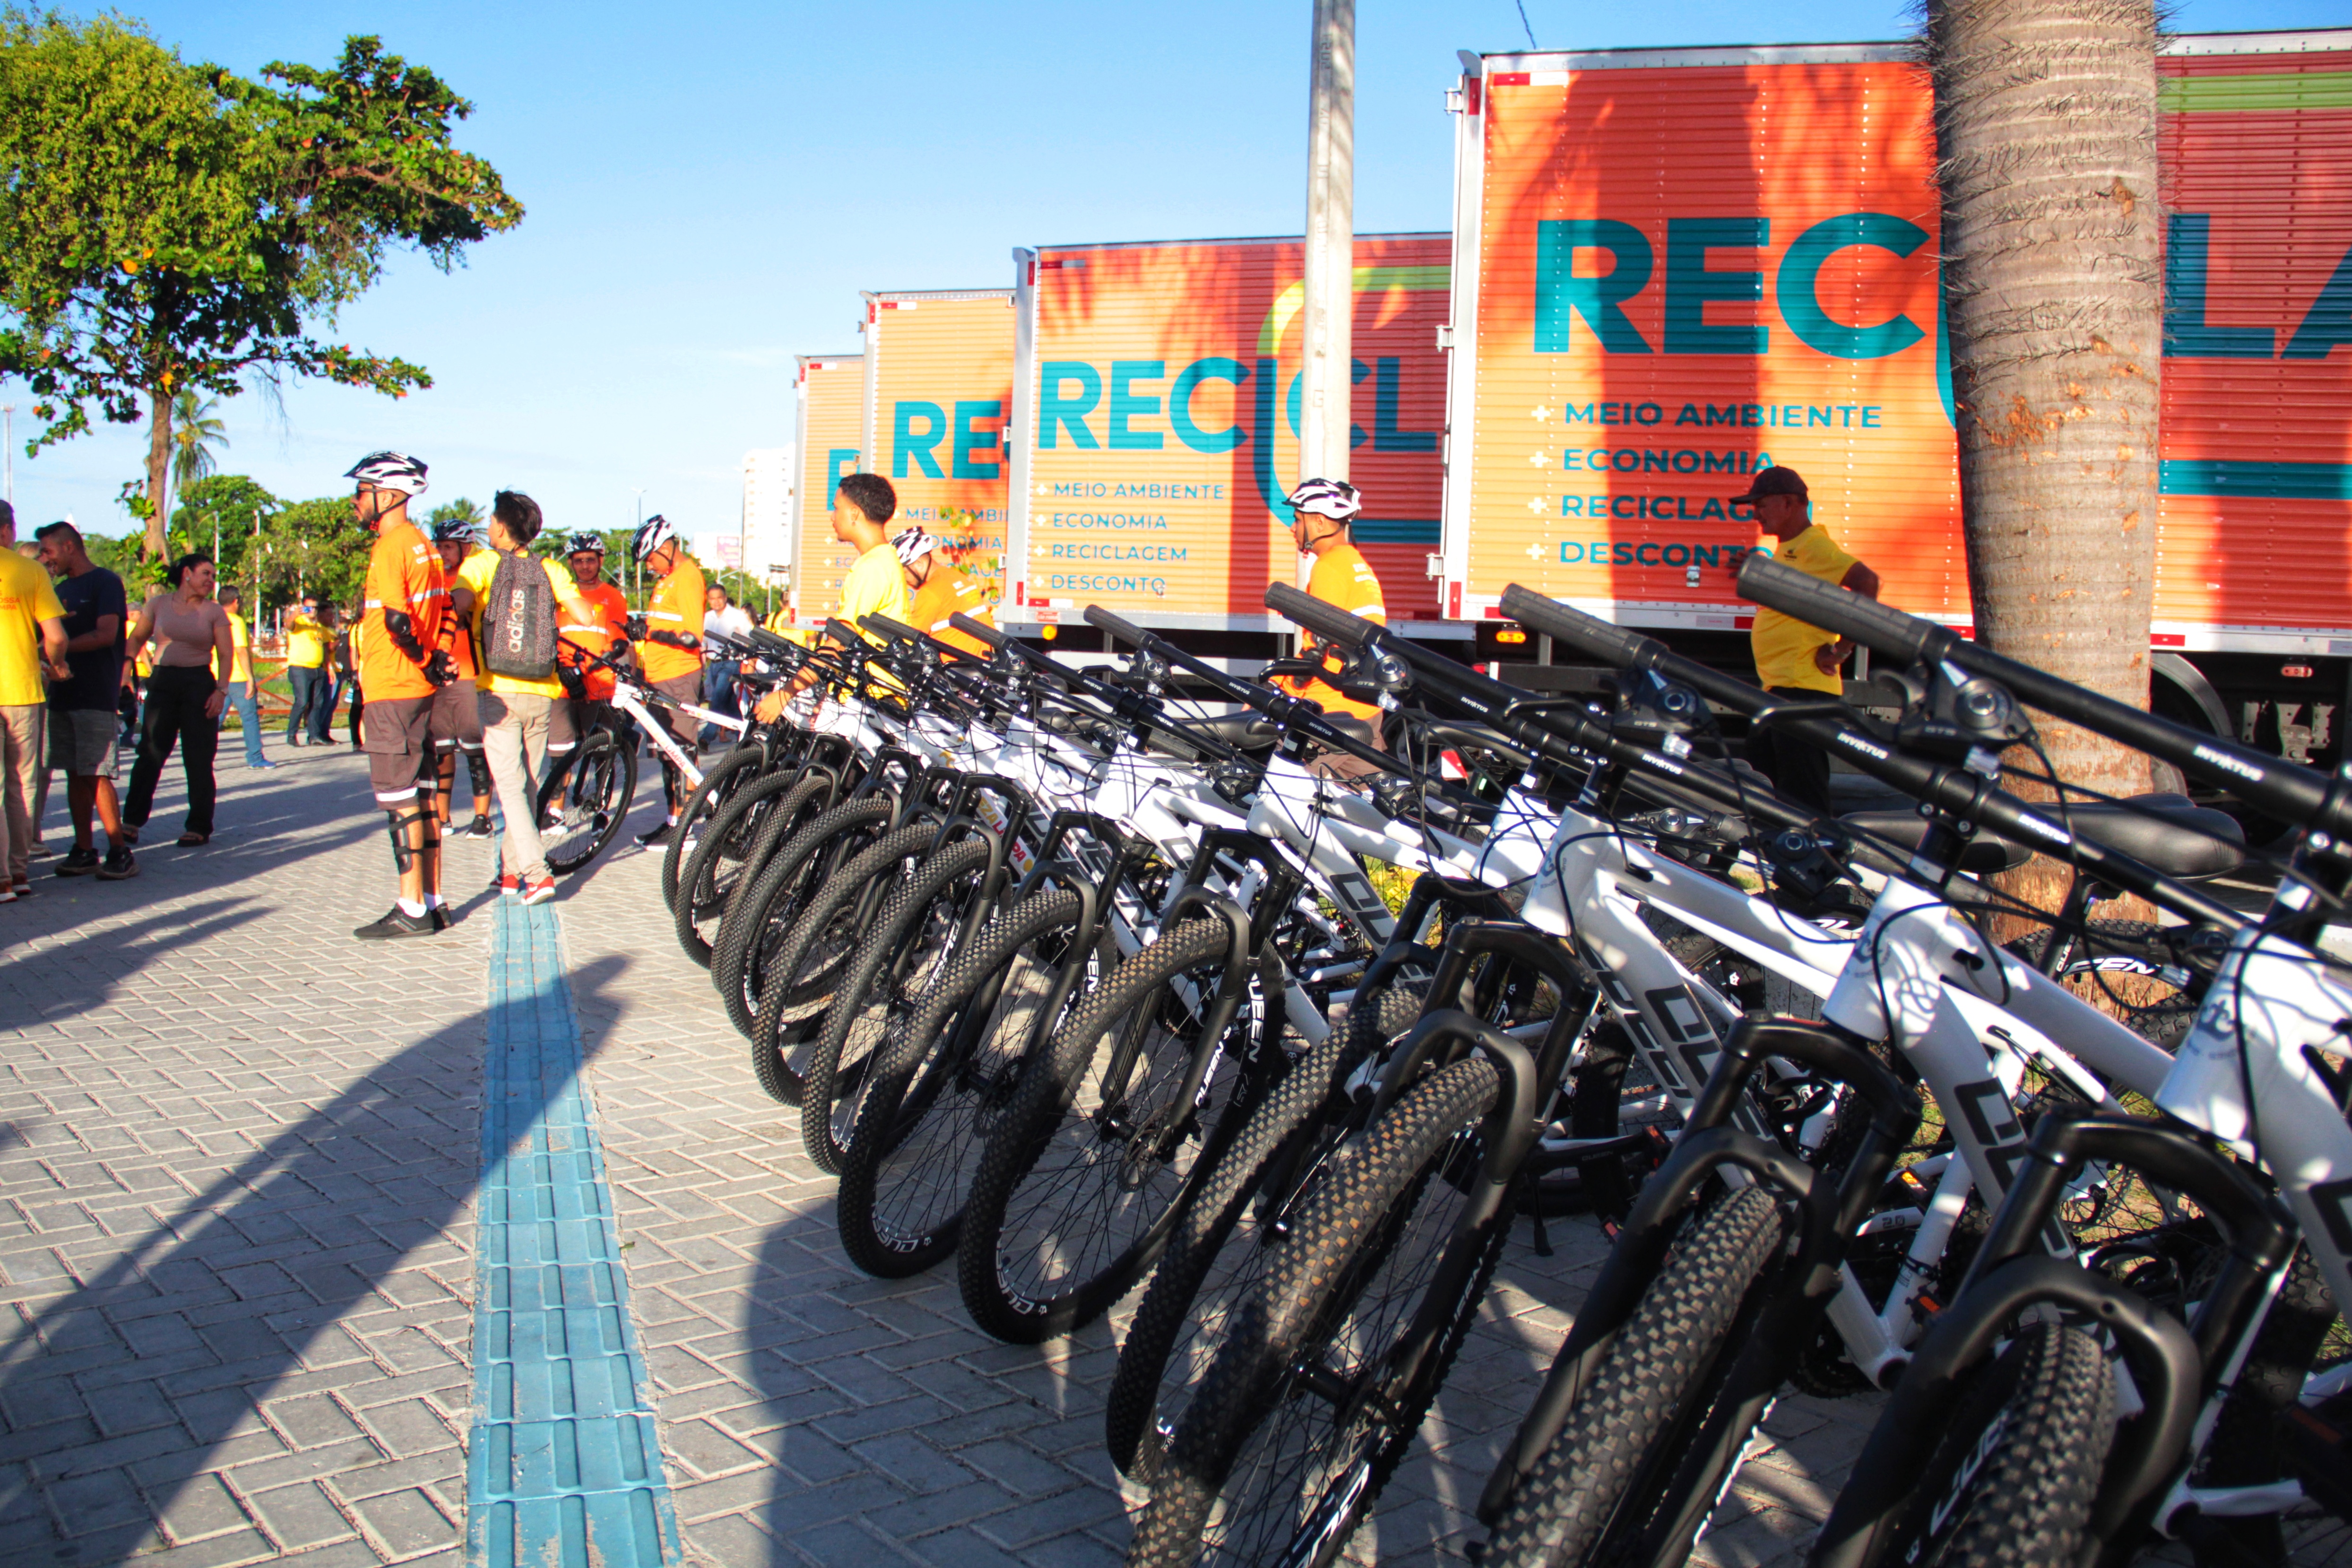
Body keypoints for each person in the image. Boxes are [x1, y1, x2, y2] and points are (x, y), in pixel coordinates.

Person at [460, 492, 593, 904]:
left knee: (511, 786)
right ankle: (509, 872)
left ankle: (537, 874)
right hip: (542, 689)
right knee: (528, 786)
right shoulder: (551, 569)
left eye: (490, 521)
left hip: (498, 690)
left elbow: (461, 601)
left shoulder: (482, 563)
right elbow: (585, 615)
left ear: (501, 526)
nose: (487, 527)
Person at [347, 450, 458, 940]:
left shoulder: (391, 545)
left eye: (361, 491)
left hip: (393, 685)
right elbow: (448, 610)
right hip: (418, 688)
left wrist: (422, 658)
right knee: (425, 792)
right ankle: (433, 899)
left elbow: (395, 621)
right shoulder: (427, 547)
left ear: (388, 495)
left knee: (399, 799)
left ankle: (410, 906)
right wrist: (438, 656)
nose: (355, 501)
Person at [1727, 465, 1881, 812]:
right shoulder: (1790, 549)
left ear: (1789, 503)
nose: (1756, 514)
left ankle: (1813, 859)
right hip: (1781, 688)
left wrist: (1842, 650)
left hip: (1803, 690)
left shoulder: (1814, 546)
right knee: (1763, 782)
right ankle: (1773, 855)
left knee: (1802, 793)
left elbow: (1867, 583)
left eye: (1762, 504)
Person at [752, 475, 908, 724]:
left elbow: (838, 642)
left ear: (855, 513)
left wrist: (786, 694)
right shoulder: (883, 560)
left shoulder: (872, 567)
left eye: (836, 508)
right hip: (866, 694)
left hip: (874, 698)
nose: (832, 516)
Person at [1271, 478, 1390, 777]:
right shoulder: (1354, 562)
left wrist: (1278, 689)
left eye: (1298, 520)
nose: (1292, 529)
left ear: (1320, 523)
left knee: (1281, 796)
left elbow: (1319, 644)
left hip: (1330, 710)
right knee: (1368, 807)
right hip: (1363, 707)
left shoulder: (1329, 567)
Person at [119, 552, 237, 849]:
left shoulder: (214, 612)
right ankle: (131, 822)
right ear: (187, 574)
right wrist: (125, 669)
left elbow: (225, 654)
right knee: (150, 753)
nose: (211, 581)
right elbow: (136, 638)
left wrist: (221, 692)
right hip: (162, 683)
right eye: (206, 574)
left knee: (198, 757)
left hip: (199, 684)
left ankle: (198, 826)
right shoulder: (158, 604)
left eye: (213, 576)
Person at [35, 522, 131, 880]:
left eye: (49, 551)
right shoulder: (57, 589)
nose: (45, 558)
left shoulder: (105, 583)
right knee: (73, 772)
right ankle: (84, 848)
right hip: (62, 694)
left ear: (70, 547)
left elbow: (107, 634)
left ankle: (119, 848)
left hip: (95, 692)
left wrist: (58, 648)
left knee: (97, 771)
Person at [0, 503, 69, 902]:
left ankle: (2, 877)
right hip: (23, 690)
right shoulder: (32, 571)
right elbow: (56, 637)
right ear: (9, 530)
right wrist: (54, 663)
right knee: (22, 782)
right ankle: (20, 870)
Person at [628, 515, 707, 846]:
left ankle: (686, 825)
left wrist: (650, 631)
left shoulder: (687, 577)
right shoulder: (666, 579)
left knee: (682, 750)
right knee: (666, 752)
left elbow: (692, 636)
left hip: (678, 673)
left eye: (650, 558)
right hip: (658, 675)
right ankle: (673, 818)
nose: (649, 566)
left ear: (666, 548)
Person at [428, 519, 495, 837]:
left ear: (465, 548)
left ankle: (482, 817)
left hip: (469, 674)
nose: (442, 552)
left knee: (474, 749)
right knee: (441, 751)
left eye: (448, 546)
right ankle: (442, 816)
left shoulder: (472, 579)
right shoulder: (432, 579)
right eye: (439, 546)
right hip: (439, 676)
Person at [894, 528, 996, 656]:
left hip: (951, 670)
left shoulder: (931, 592)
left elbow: (908, 639)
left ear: (919, 564)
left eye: (904, 573)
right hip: (980, 664)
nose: (904, 580)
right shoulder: (957, 577)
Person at [215, 585, 276, 771]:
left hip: (216, 676)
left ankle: (201, 757)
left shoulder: (212, 619)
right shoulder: (236, 621)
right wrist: (250, 678)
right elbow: (240, 650)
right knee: (249, 719)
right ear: (236, 601)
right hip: (238, 677)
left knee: (214, 720)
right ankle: (255, 757)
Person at [699, 583, 752, 745]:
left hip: (730, 663)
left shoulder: (737, 616)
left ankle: (707, 737)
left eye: (719, 598)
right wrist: (702, 665)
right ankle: (746, 732)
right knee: (728, 703)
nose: (715, 602)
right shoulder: (707, 617)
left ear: (725, 598)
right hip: (714, 664)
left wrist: (747, 659)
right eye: (712, 599)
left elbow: (749, 638)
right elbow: (703, 643)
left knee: (717, 699)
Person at [283, 592, 333, 745]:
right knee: (302, 702)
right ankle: (292, 735)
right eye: (309, 607)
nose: (312, 611)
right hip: (300, 668)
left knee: (317, 703)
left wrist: (329, 667)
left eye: (315, 608)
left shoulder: (318, 627)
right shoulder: (299, 621)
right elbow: (289, 626)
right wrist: (293, 616)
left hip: (317, 669)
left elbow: (324, 648)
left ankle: (314, 736)